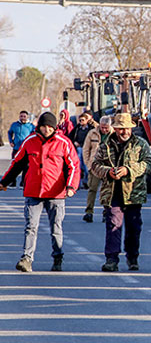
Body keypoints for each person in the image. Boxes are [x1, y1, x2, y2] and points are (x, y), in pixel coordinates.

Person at [0, 112, 80, 272]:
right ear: (39, 127)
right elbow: (17, 164)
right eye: (44, 126)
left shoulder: (63, 142)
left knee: (56, 227)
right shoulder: (30, 141)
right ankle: (27, 259)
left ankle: (58, 257)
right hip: (34, 191)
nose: (46, 130)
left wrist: (71, 187)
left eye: (50, 126)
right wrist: (4, 182)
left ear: (54, 127)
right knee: (31, 226)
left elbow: (74, 166)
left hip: (56, 193)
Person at [90, 113, 151, 272]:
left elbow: (149, 164)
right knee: (113, 225)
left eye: (126, 129)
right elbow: (95, 165)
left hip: (134, 193)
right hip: (112, 193)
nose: (124, 132)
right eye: (120, 129)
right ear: (115, 129)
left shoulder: (140, 144)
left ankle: (132, 257)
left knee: (133, 228)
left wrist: (129, 170)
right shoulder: (105, 145)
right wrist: (108, 172)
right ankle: (111, 259)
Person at [82, 116, 113, 222]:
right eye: (102, 127)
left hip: (108, 167)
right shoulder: (92, 133)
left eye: (106, 128)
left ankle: (106, 212)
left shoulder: (114, 134)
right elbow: (86, 149)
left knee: (107, 190)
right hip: (95, 166)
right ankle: (89, 212)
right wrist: (88, 164)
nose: (104, 130)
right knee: (92, 189)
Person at [7, 110, 35, 187]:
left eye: (24, 116)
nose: (23, 118)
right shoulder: (15, 125)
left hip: (26, 149)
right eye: (21, 116)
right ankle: (13, 182)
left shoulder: (31, 126)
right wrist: (11, 141)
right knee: (14, 165)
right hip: (16, 148)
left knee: (26, 167)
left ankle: (23, 182)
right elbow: (9, 133)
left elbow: (34, 136)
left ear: (27, 117)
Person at [69, 113, 93, 183]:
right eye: (80, 120)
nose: (81, 122)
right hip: (78, 148)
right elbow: (71, 137)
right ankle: (78, 183)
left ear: (86, 120)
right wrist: (74, 142)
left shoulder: (90, 129)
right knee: (78, 166)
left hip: (87, 149)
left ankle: (87, 182)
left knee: (86, 167)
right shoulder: (77, 128)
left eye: (83, 120)